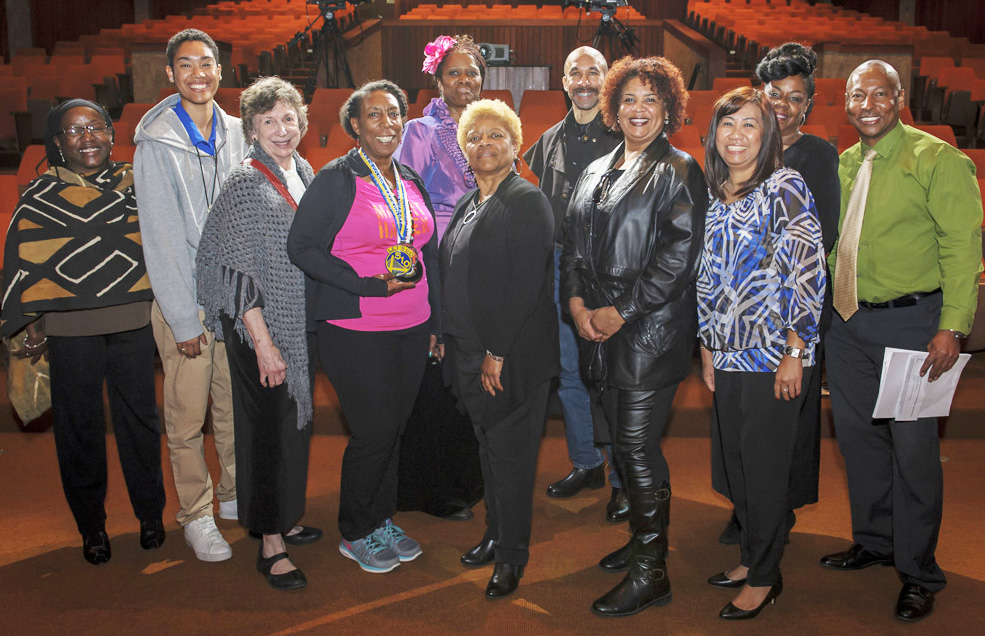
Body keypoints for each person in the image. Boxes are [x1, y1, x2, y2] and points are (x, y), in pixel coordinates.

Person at [820, 60, 982, 623]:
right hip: (846, 325)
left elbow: (962, 248)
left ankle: (918, 572)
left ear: (901, 97)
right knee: (859, 443)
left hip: (913, 326)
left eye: (880, 93)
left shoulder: (938, 160)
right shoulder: (843, 164)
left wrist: (952, 327)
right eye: (856, 94)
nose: (867, 103)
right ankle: (875, 541)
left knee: (913, 454)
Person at [560, 56, 707, 617]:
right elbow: (571, 245)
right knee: (624, 448)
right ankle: (643, 543)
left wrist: (617, 313)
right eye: (629, 99)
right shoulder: (597, 168)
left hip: (648, 333)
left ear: (668, 108)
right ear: (613, 109)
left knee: (638, 453)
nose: (638, 109)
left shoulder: (679, 168)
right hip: (598, 328)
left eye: (651, 99)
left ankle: (653, 572)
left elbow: (677, 259)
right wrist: (575, 303)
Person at [1, 100, 166, 565]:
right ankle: (91, 525)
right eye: (74, 131)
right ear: (57, 142)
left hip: (132, 322)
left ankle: (150, 514)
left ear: (112, 135)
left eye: (96, 127)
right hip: (70, 330)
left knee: (141, 421)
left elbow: (163, 241)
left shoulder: (136, 184)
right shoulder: (38, 195)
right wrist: (32, 322)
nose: (87, 137)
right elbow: (22, 263)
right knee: (79, 428)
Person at [287, 80, 441, 575]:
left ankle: (381, 519)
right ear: (354, 125)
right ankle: (355, 531)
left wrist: (435, 318)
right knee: (374, 430)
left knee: (394, 430)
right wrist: (365, 284)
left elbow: (426, 251)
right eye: (374, 115)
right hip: (355, 325)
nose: (387, 124)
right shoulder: (336, 178)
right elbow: (302, 248)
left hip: (413, 323)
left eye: (395, 114)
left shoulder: (409, 178)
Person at [698, 87, 826, 620]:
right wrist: (706, 345)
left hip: (774, 355)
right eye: (728, 125)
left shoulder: (784, 185)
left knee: (766, 470)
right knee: (739, 466)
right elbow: (707, 277)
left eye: (749, 125)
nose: (737, 136)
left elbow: (807, 269)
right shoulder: (716, 191)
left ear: (767, 134)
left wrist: (796, 349)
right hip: (725, 355)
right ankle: (751, 556)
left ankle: (767, 576)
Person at [196, 77, 320, 590]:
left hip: (297, 322)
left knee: (293, 428)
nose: (281, 129)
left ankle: (286, 513)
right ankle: (270, 543)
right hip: (258, 328)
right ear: (250, 129)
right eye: (268, 121)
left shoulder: (305, 171)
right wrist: (264, 343)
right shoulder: (244, 184)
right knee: (266, 432)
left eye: (289, 119)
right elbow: (236, 270)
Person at [715, 42, 841, 546]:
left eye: (796, 97)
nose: (785, 105)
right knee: (741, 430)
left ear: (808, 104)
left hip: (790, 319)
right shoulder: (733, 156)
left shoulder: (815, 157)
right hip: (738, 326)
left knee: (784, 430)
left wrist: (790, 331)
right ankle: (750, 511)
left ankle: (774, 515)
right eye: (775, 95)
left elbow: (819, 241)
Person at [134, 28, 247, 562]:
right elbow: (158, 236)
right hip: (187, 301)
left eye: (206, 64)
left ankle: (231, 494)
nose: (197, 74)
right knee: (186, 419)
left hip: (234, 300)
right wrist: (182, 319)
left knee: (231, 406)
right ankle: (197, 513)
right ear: (170, 74)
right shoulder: (156, 140)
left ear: (220, 71)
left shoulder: (240, 132)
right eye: (186, 65)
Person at [441, 99, 558, 600]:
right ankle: (494, 533)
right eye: (475, 137)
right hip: (469, 353)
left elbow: (526, 287)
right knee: (489, 452)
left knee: (511, 459)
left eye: (496, 136)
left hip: (509, 358)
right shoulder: (473, 201)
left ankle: (512, 557)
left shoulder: (526, 199)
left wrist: (497, 351)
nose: (484, 144)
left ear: (514, 144)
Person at [523, 46, 626, 518]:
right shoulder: (545, 143)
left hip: (615, 272)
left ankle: (626, 476)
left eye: (594, 72)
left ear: (606, 79)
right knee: (569, 374)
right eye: (575, 73)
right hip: (563, 271)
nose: (584, 81)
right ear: (563, 81)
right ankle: (587, 461)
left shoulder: (629, 135)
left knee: (617, 378)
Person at [395, 34, 486, 240]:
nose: (464, 79)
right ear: (438, 81)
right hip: (438, 244)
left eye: (472, 73)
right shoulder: (419, 131)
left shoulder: (493, 134)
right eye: (454, 73)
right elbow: (404, 199)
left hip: (486, 241)